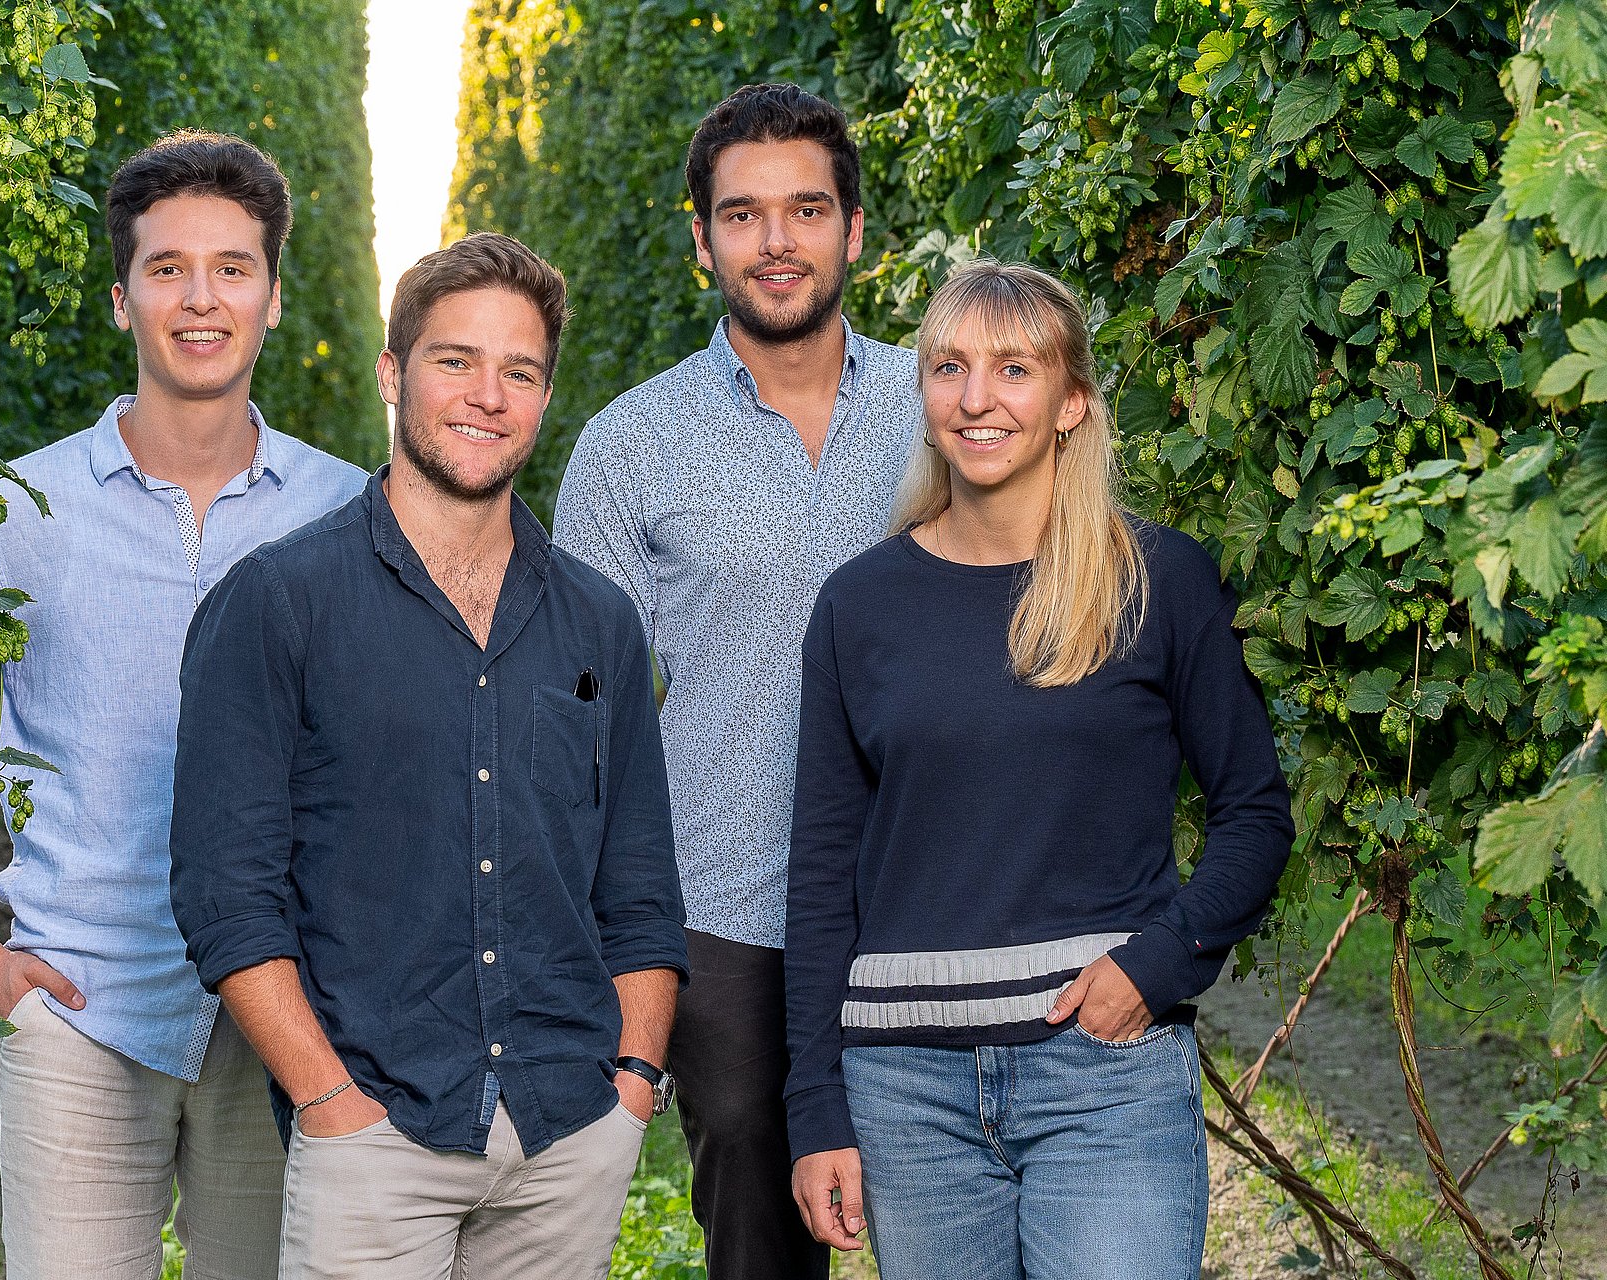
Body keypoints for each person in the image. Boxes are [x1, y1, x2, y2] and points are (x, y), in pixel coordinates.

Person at [0, 131, 367, 1280]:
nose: (202, 299)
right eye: (168, 267)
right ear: (121, 297)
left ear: (275, 297)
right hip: (77, 1010)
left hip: (285, 1022)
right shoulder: (13, 512)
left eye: (233, 268)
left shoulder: (349, 513)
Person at [168, 231, 687, 1280]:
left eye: (520, 370)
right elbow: (227, 893)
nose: (488, 394)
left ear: (544, 395)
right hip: (375, 1133)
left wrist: (634, 1080)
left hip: (568, 1129)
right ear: (394, 374)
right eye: (456, 360)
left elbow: (638, 887)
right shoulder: (279, 604)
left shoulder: (601, 622)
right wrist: (328, 1098)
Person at [783, 259, 1296, 1279]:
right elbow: (821, 872)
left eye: (1013, 369)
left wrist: (1161, 960)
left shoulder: (1159, 579)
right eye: (949, 367)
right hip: (906, 1095)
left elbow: (1255, 812)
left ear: (1071, 401)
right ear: (923, 393)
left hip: (1104, 1077)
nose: (977, 398)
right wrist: (816, 1108)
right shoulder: (859, 605)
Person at [552, 81, 921, 1280]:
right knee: (762, 1243)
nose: (778, 241)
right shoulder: (631, 444)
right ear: (702, 238)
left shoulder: (949, 406)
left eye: (808, 208)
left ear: (855, 230)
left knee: (964, 1220)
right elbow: (580, 716)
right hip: (727, 912)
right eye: (744, 214)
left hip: (943, 889)